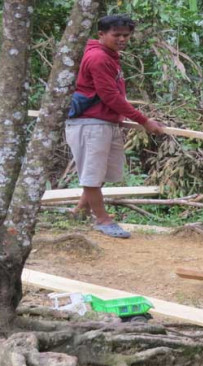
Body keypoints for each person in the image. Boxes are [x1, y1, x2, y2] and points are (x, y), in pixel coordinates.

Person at [65, 15, 164, 239]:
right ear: (101, 34)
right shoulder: (99, 58)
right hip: (90, 123)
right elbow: (109, 96)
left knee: (98, 172)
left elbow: (112, 95)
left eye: (126, 35)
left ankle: (80, 210)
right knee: (91, 174)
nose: (122, 39)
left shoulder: (110, 55)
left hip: (104, 122)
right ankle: (103, 220)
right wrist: (144, 120)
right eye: (116, 35)